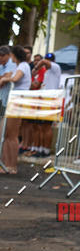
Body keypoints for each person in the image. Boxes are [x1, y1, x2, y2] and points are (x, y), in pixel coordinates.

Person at [0, 45, 32, 174]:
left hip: (18, 101)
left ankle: (12, 165)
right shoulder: (21, 66)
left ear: (14, 55)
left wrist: (5, 78)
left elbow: (15, 78)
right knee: (7, 135)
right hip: (14, 101)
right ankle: (6, 164)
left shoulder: (23, 66)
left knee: (12, 135)